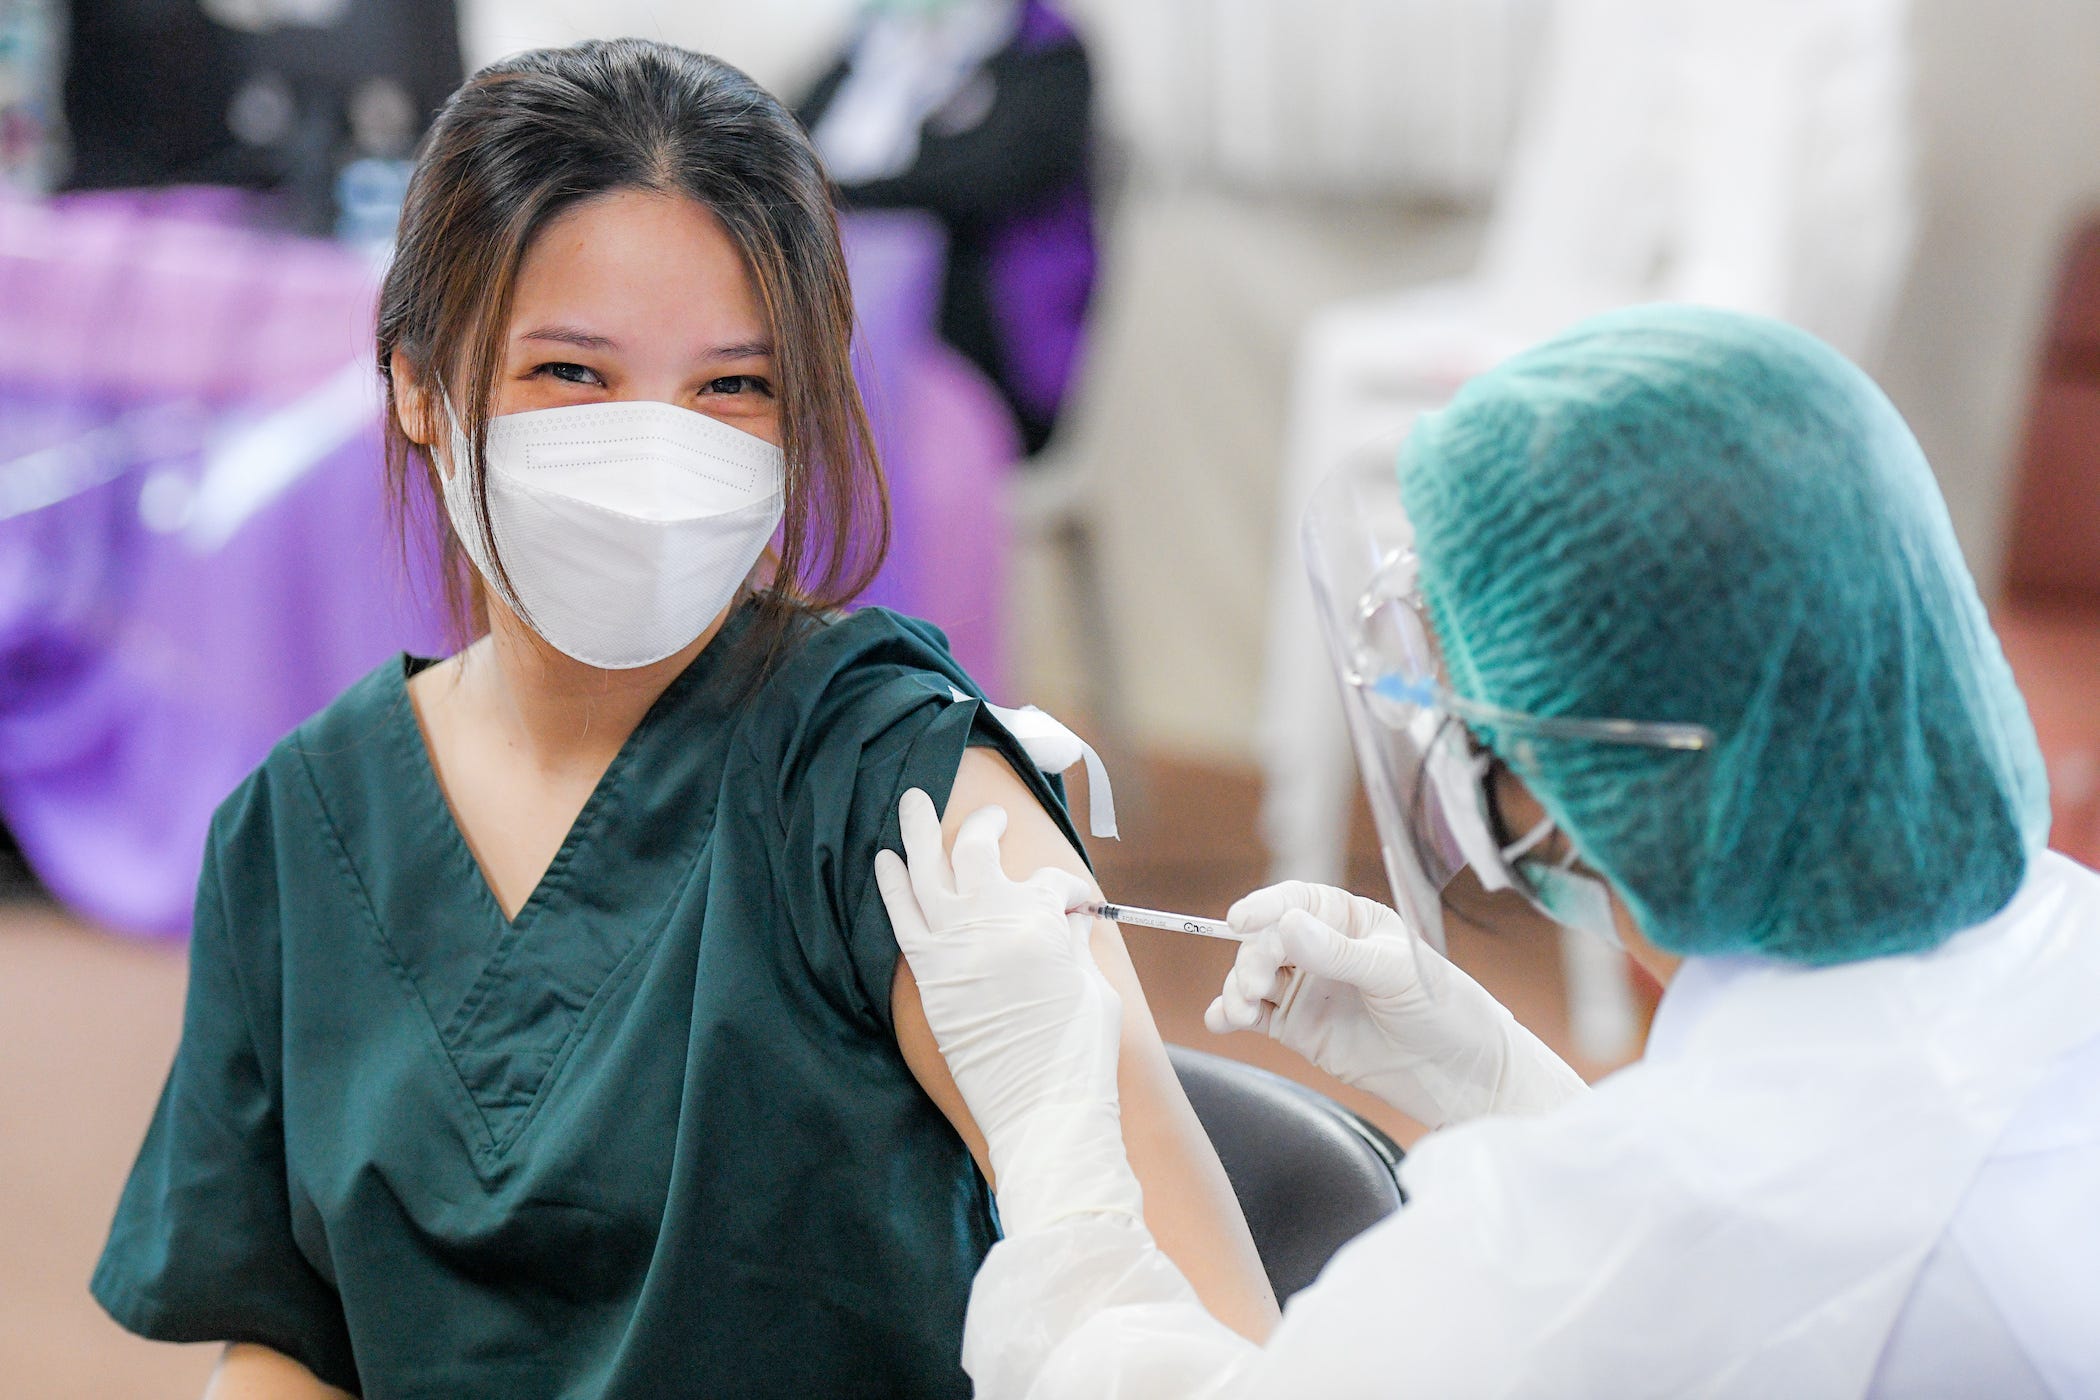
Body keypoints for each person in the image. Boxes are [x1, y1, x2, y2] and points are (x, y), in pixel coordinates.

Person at [89, 39, 1276, 1399]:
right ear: (418, 381)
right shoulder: (303, 827)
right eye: (573, 375)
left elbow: (1210, 1338)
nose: (658, 447)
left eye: (734, 387)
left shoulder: (902, 795)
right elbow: (287, 1349)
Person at [876, 305, 2100, 1397]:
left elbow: (1650, 1260)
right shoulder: (2068, 945)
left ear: (1585, 784)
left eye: (1466, 697)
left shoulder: (1552, 1264)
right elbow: (1770, 1194)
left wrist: (1053, 1139)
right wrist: (1489, 1080)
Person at [798, 0, 1095, 456]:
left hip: (989, 334)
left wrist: (839, 192)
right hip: (845, 305)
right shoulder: (877, 43)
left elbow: (981, 180)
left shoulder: (1046, 52)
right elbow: (784, 140)